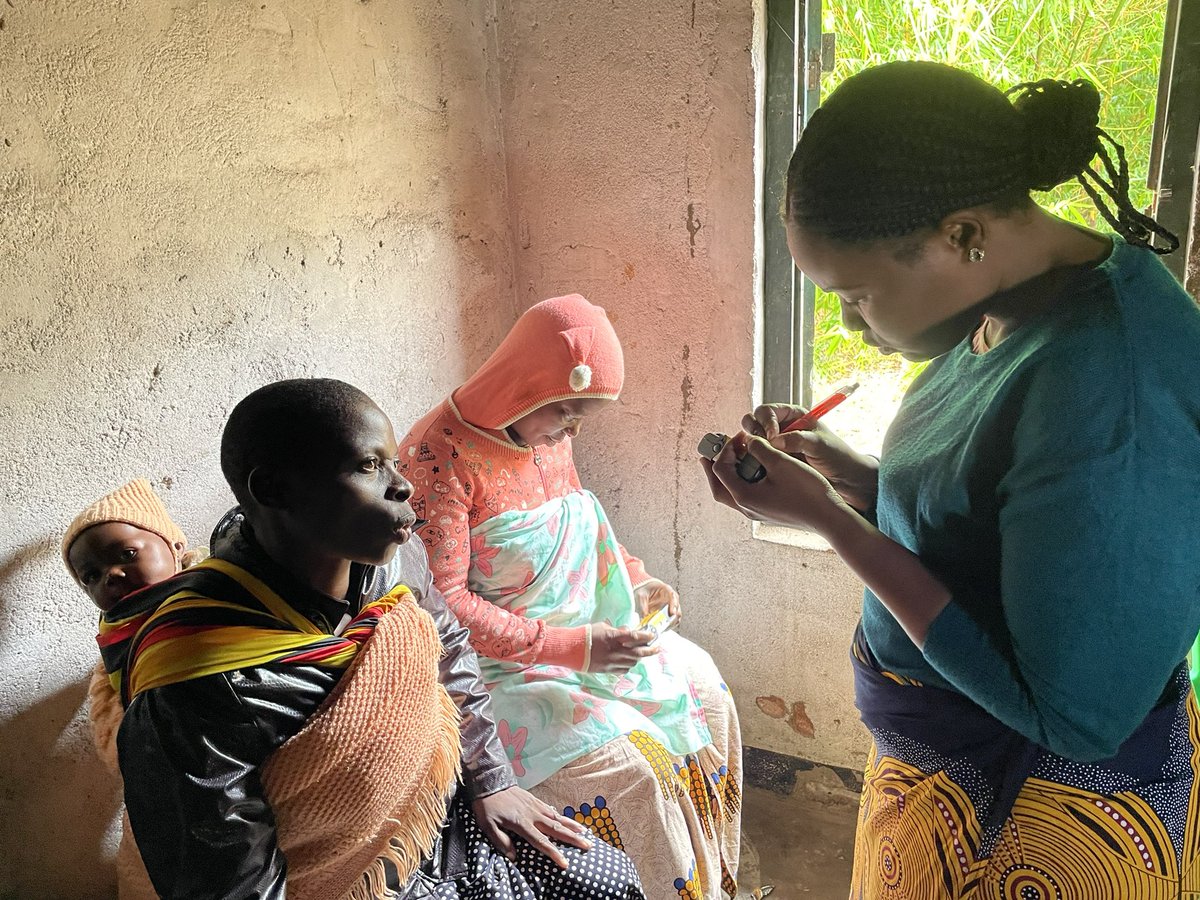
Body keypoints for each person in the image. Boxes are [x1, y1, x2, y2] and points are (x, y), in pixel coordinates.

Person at [703, 61, 1200, 899]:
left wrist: (831, 521)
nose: (854, 330)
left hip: (1039, 829)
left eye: (857, 297)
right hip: (947, 779)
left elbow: (1071, 715)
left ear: (964, 234)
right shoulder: (1010, 304)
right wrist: (846, 472)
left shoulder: (1109, 391)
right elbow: (992, 520)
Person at [103, 378, 644, 899]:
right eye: (368, 465)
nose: (402, 484)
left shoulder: (390, 562)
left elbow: (449, 646)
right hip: (343, 877)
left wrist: (492, 781)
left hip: (435, 819)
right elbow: (228, 882)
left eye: (391, 461)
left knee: (605, 876)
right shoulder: (194, 682)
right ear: (274, 489)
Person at [400, 295, 742, 900]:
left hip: (589, 636)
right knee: (638, 768)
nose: (572, 429)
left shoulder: (545, 431)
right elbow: (444, 607)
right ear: (521, 387)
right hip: (500, 671)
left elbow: (577, 522)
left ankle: (716, 883)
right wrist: (573, 649)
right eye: (565, 410)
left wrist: (635, 579)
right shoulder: (438, 456)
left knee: (708, 691)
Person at [63, 478, 205, 900]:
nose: (111, 576)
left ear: (174, 547)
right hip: (161, 800)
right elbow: (112, 735)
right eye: (91, 575)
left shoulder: (226, 594)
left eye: (126, 554)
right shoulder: (114, 650)